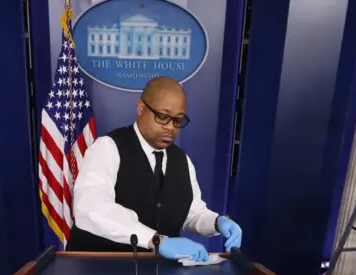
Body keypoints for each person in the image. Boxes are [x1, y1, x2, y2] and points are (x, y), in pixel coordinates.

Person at [65, 76, 242, 260]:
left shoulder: (182, 160)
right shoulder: (107, 148)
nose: (170, 128)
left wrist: (217, 222)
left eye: (178, 120)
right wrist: (156, 241)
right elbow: (90, 207)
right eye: (163, 117)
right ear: (141, 109)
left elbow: (191, 212)